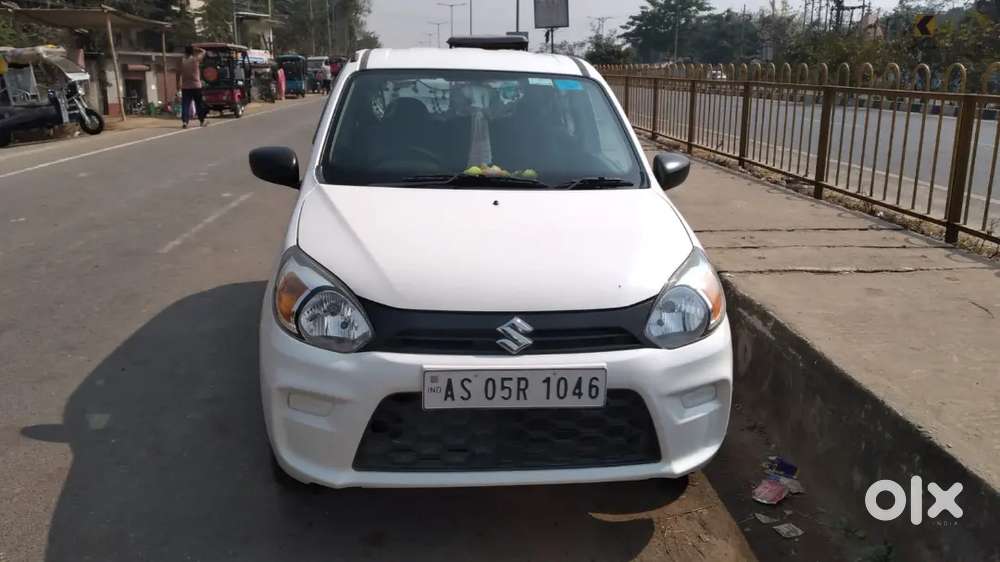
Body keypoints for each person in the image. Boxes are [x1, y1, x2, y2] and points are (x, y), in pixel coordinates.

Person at [178, 45, 208, 128]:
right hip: (196, 86)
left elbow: (178, 73)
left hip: (185, 86)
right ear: (192, 52)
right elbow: (204, 52)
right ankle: (202, 121)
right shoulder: (195, 60)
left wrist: (178, 83)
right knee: (199, 104)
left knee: (185, 105)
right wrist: (197, 49)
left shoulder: (182, 61)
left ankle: (185, 122)